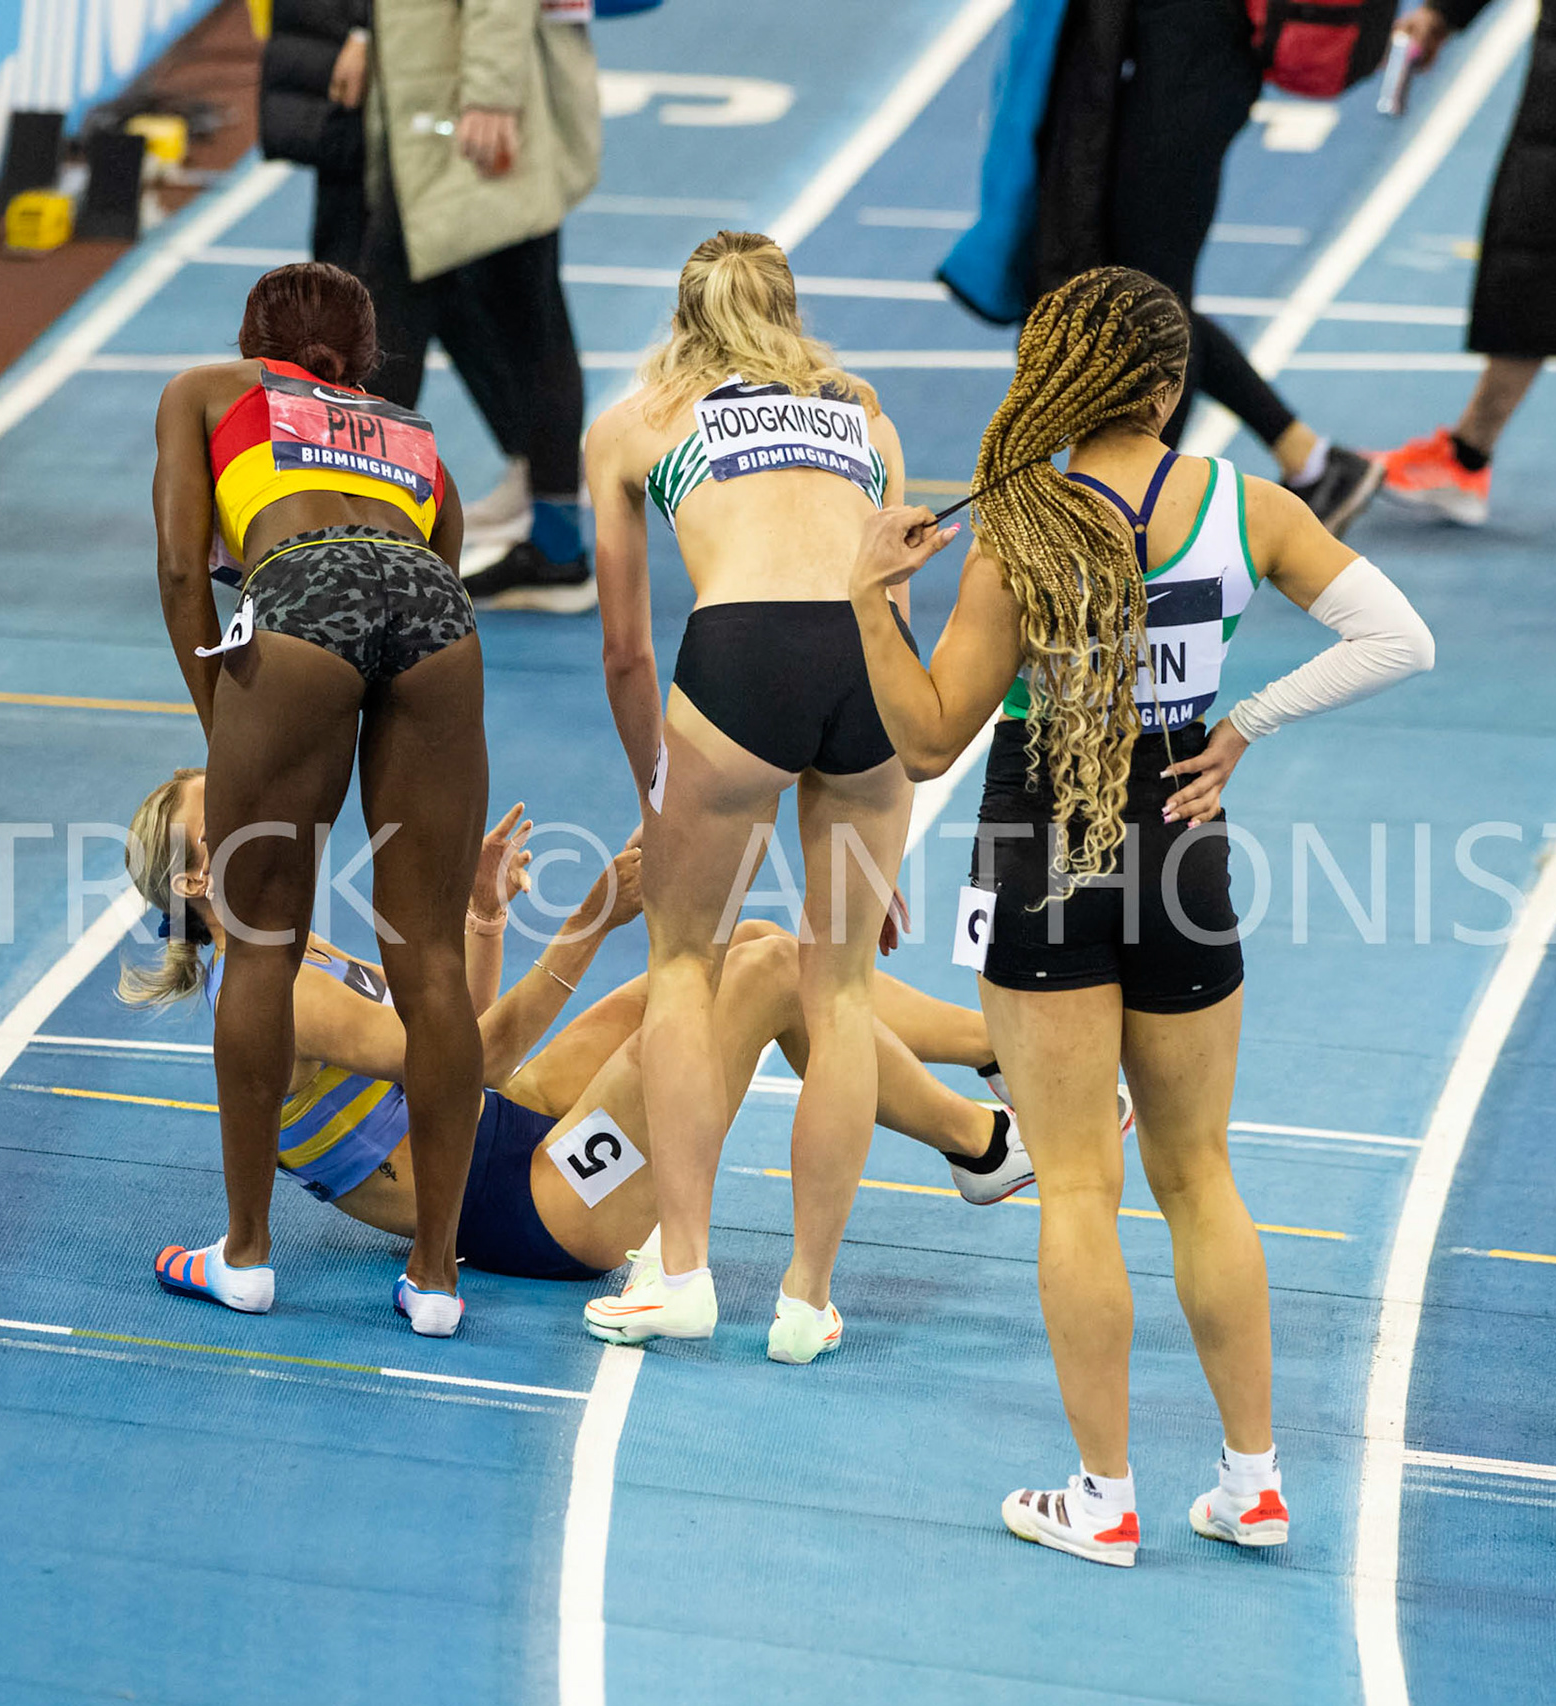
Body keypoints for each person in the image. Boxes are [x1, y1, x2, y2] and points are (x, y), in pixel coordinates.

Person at [847, 266, 1435, 1565]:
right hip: (1181, 841)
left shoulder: (1017, 531)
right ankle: (1254, 1482)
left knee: (1075, 1184)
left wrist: (871, 597)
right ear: (1169, 390)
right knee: (1200, 1174)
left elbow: (930, 738)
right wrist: (1246, 724)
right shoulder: (1249, 506)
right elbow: (1401, 639)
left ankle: (1104, 1495)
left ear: (1057, 383)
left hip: (1041, 847)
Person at [121, 772, 1044, 1292]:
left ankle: (996, 1060)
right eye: (224, 812)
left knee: (753, 945)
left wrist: (484, 919)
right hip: (539, 1203)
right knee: (763, 977)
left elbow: (461, 1040)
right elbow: (474, 1061)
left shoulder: (290, 950)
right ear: (198, 881)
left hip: (514, 1125)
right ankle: (985, 1136)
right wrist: (589, 922)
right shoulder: (278, 996)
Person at [580, 231, 918, 1365]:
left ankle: (681, 1270)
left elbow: (626, 650)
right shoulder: (869, 425)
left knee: (685, 965)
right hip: (868, 671)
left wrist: (657, 784)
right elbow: (894, 618)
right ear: (789, 309)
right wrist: (886, 829)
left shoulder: (636, 424)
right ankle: (807, 1300)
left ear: (686, 316)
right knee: (845, 990)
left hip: (744, 652)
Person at [149, 261, 486, 1338]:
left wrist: (226, 720)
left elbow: (180, 569)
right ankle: (436, 1277)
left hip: (301, 590)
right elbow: (439, 568)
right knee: (430, 959)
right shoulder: (413, 433)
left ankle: (245, 1254)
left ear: (254, 342)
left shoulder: (206, 391)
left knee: (260, 943)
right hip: (434, 612)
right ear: (366, 356)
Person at [940, 0, 1385, 534]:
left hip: (1186, 65)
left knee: (1149, 302)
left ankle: (1137, 513)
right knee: (1137, 292)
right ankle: (1308, 460)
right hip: (1154, 61)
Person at [1374, 0, 1556, 524]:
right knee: (1540, 245)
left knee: (1539, 240)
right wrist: (1446, 11)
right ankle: (1467, 454)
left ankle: (1467, 456)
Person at [354, 0, 601, 609]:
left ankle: (364, 549)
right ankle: (556, 551)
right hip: (453, 101)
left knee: (389, 321)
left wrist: (491, 93)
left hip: (464, 112)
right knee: (528, 315)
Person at [257, 0, 530, 533]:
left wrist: (366, 29)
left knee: (370, 297)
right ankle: (536, 464)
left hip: (375, 65)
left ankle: (359, 500)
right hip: (337, 52)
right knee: (402, 288)